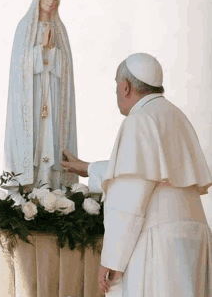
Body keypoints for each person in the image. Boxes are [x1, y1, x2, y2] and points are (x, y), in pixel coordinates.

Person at [61, 53, 212, 297]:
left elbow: (129, 197)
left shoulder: (138, 120)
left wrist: (111, 261)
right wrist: (88, 168)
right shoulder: (174, 115)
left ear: (126, 87)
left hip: (159, 245)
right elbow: (147, 171)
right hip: (192, 239)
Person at [3, 0, 78, 191]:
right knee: (34, 134)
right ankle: (28, 187)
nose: (52, 2)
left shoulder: (60, 30)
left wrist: (53, 51)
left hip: (52, 94)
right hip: (32, 94)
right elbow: (19, 66)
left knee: (51, 133)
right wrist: (40, 49)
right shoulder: (25, 27)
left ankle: (52, 186)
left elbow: (66, 68)